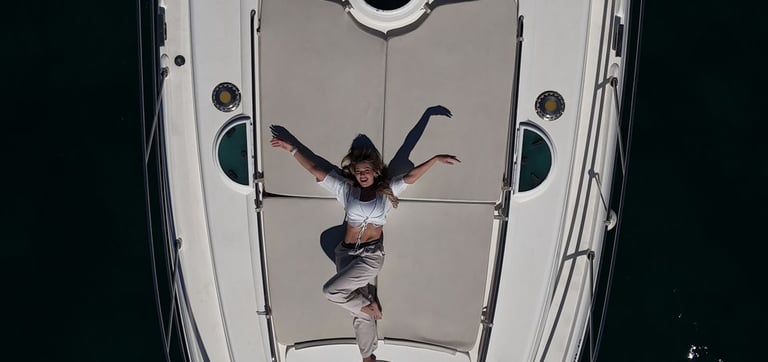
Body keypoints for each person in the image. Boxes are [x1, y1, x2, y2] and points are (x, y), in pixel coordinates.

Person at [271, 127, 459, 362]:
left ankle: (369, 305)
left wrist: (434, 159)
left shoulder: (386, 192)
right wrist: (293, 149)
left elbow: (410, 175)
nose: (362, 175)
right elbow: (315, 169)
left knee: (332, 291)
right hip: (346, 254)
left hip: (370, 257)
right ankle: (368, 357)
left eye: (366, 171)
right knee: (359, 315)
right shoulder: (346, 190)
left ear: (374, 172)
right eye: (358, 171)